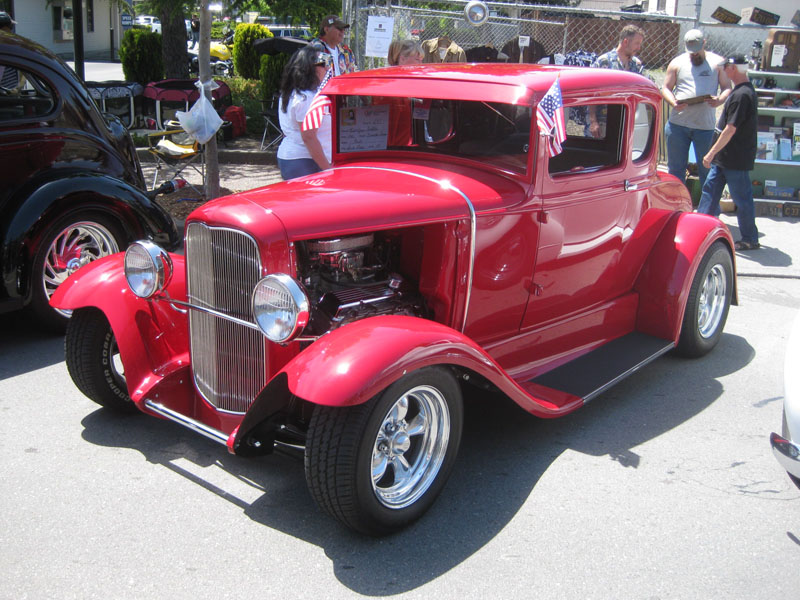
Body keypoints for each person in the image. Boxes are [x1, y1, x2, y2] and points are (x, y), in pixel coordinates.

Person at [697, 54, 759, 251]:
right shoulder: (741, 91)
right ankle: (699, 232)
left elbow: (730, 129)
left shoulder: (742, 95)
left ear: (734, 68)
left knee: (742, 198)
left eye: (726, 67)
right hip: (725, 157)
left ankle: (750, 238)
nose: (724, 70)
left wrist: (710, 153)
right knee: (710, 191)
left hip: (735, 158)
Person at [661, 29, 732, 188]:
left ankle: (710, 208)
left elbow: (727, 87)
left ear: (704, 43)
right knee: (675, 170)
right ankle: (678, 206)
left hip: (704, 127)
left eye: (697, 51)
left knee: (707, 168)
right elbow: (665, 87)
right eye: (691, 51)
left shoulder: (718, 63)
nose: (694, 54)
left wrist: (719, 100)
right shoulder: (677, 62)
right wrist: (673, 102)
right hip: (678, 125)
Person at [276, 46, 332, 179]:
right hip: (304, 160)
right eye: (322, 63)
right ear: (309, 67)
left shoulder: (292, 93)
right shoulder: (305, 98)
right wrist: (328, 170)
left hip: (299, 157)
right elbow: (309, 137)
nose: (327, 67)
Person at [588, 25, 645, 137]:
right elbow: (591, 92)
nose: (639, 48)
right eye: (637, 43)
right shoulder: (604, 62)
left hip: (626, 123)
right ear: (625, 42)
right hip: (603, 123)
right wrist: (593, 120)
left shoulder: (636, 65)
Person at [0, 11, 25, 95]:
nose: (11, 30)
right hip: (6, 101)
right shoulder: (4, 52)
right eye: (10, 27)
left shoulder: (9, 49)